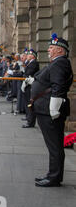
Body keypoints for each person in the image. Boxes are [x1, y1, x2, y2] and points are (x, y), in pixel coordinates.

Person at [27, 35, 73, 187]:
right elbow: (46, 79)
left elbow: (58, 86)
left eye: (51, 47)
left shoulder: (60, 63)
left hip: (50, 111)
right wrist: (34, 81)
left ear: (60, 50)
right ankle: (52, 174)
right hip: (44, 109)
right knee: (53, 145)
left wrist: (54, 107)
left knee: (55, 146)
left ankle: (54, 177)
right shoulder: (56, 63)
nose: (49, 49)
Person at [21, 49, 40, 128]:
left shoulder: (34, 63)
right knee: (27, 102)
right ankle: (28, 118)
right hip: (27, 84)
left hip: (30, 85)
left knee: (30, 103)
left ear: (33, 56)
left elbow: (28, 73)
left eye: (29, 55)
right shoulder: (29, 63)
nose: (27, 56)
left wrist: (25, 75)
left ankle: (30, 121)